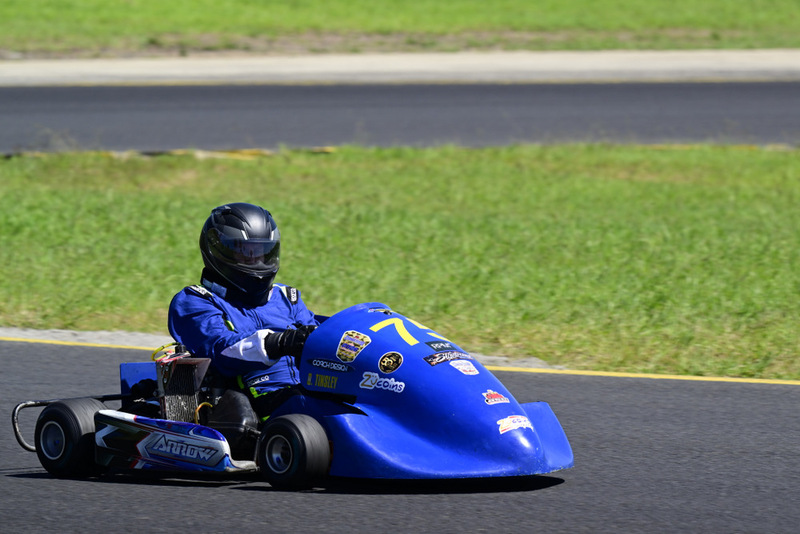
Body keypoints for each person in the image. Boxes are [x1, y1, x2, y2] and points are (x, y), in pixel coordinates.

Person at [168, 202, 318, 417]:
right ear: (219, 251)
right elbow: (219, 349)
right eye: (245, 253)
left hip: (308, 390)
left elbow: (317, 339)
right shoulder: (195, 301)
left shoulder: (287, 297)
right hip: (258, 403)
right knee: (313, 410)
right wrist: (279, 342)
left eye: (261, 252)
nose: (256, 261)